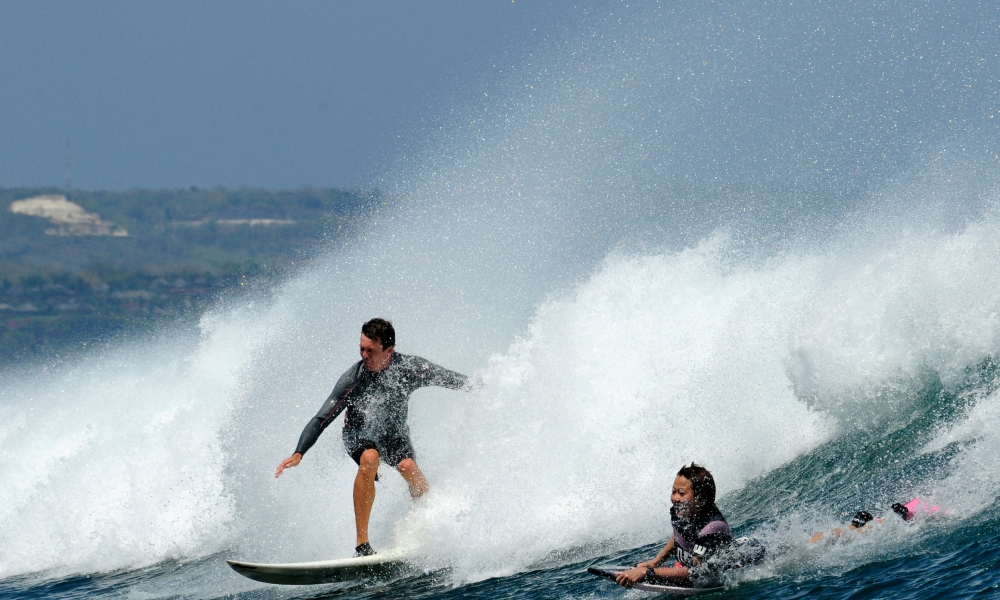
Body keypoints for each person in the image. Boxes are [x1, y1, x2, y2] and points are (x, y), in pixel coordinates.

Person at [274, 318, 469, 557]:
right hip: (358, 433)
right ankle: (362, 545)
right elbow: (320, 419)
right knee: (369, 458)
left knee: (409, 467)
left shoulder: (410, 368)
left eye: (370, 350)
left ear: (389, 350)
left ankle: (429, 524)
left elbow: (451, 379)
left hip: (393, 434)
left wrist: (488, 388)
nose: (364, 355)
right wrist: (298, 452)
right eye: (361, 349)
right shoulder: (353, 379)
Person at [614, 464, 734, 589]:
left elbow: (695, 573)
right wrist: (655, 562)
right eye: (673, 492)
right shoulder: (681, 511)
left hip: (716, 573)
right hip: (691, 565)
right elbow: (678, 535)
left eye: (681, 493)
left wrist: (647, 572)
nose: (675, 498)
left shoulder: (712, 528)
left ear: (700, 498)